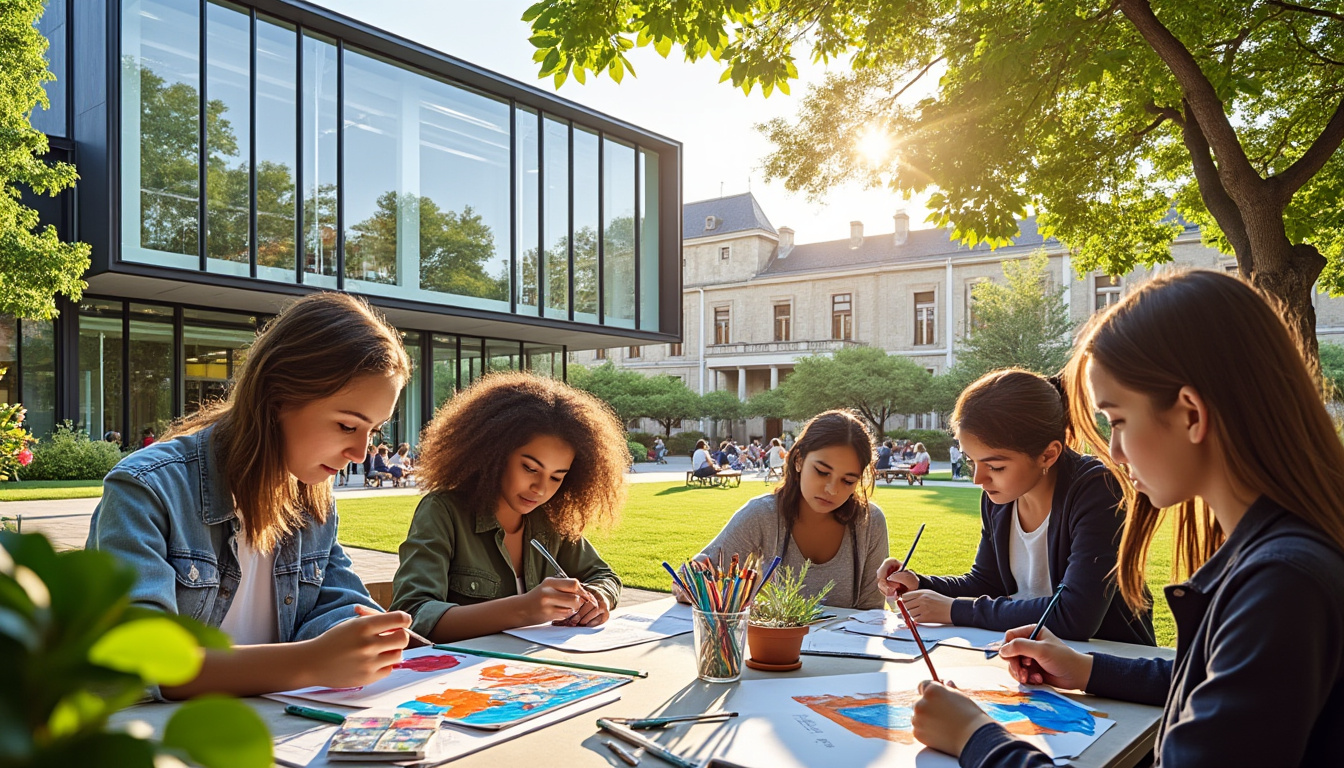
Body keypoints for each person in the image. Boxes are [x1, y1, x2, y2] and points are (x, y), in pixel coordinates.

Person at [911, 270, 1344, 766]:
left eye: (1117, 420)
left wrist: (975, 737)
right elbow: (1204, 677)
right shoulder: (1275, 556)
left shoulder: (1281, 582)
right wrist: (1087, 670)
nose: (1113, 450)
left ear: (1190, 414)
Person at [85, 292, 414, 698]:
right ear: (277, 398)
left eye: (374, 431)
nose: (361, 454)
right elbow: (139, 661)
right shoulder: (147, 488)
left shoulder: (313, 500)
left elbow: (340, 610)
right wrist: (309, 662)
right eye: (348, 426)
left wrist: (373, 640)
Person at [877, 368, 1154, 645]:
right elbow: (987, 583)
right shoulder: (999, 497)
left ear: (1048, 454)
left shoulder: (1098, 489)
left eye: (995, 466)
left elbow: (1075, 615)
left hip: (1111, 665)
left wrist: (954, 610)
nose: (978, 480)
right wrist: (920, 584)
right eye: (972, 461)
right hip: (1038, 663)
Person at [391, 372, 626, 643]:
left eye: (556, 477)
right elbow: (413, 615)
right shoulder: (443, 512)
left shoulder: (551, 520)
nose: (540, 488)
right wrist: (524, 609)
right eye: (529, 468)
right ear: (494, 453)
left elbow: (603, 575)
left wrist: (598, 598)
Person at [680, 410, 890, 609]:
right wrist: (691, 584)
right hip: (769, 645)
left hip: (844, 647)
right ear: (798, 460)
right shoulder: (762, 514)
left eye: (847, 481)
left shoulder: (870, 522)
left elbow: (871, 612)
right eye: (822, 472)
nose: (832, 490)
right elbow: (693, 577)